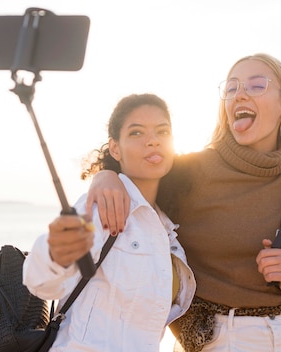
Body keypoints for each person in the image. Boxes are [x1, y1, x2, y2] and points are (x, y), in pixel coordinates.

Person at [83, 53, 281, 351]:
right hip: (226, 338)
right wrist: (106, 176)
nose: (240, 94)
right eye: (231, 88)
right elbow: (133, 167)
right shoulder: (189, 173)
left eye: (256, 85)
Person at [22, 93, 196, 351]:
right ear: (115, 148)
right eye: (137, 133)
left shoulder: (165, 227)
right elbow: (41, 282)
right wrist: (54, 252)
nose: (152, 141)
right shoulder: (104, 205)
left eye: (162, 131)